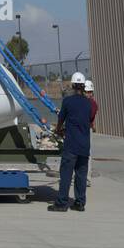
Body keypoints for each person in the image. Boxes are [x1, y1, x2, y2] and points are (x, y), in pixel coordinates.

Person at [48, 71, 91, 212]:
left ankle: (61, 203)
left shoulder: (67, 101)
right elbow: (87, 121)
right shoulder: (88, 103)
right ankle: (79, 203)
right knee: (81, 175)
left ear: (72, 85)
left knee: (66, 174)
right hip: (84, 145)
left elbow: (61, 120)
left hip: (71, 144)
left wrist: (58, 130)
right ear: (83, 86)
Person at [84, 79, 98, 184]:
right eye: (86, 92)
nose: (88, 94)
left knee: (87, 154)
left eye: (89, 92)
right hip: (80, 129)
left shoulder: (93, 104)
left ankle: (87, 177)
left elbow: (89, 116)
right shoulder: (81, 102)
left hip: (87, 129)